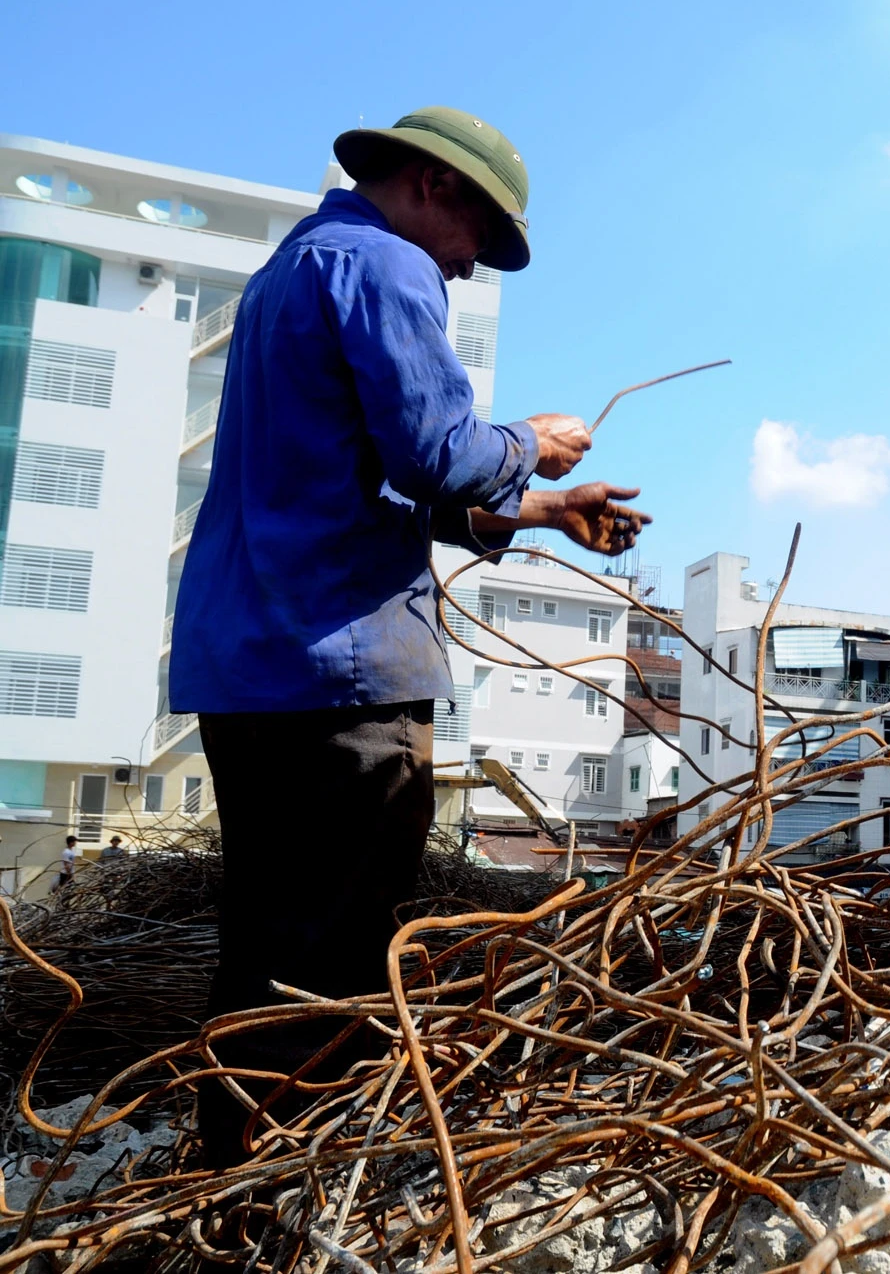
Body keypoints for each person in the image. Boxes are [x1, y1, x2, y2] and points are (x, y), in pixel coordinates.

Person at [168, 106, 652, 1167]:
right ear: (436, 187)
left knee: (265, 941)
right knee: (334, 961)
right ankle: (290, 1183)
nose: (474, 269)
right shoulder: (385, 265)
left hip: (248, 667)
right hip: (335, 670)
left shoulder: (290, 273)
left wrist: (541, 510)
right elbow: (440, 453)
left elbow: (360, 479)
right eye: (481, 236)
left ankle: (227, 1173)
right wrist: (535, 443)